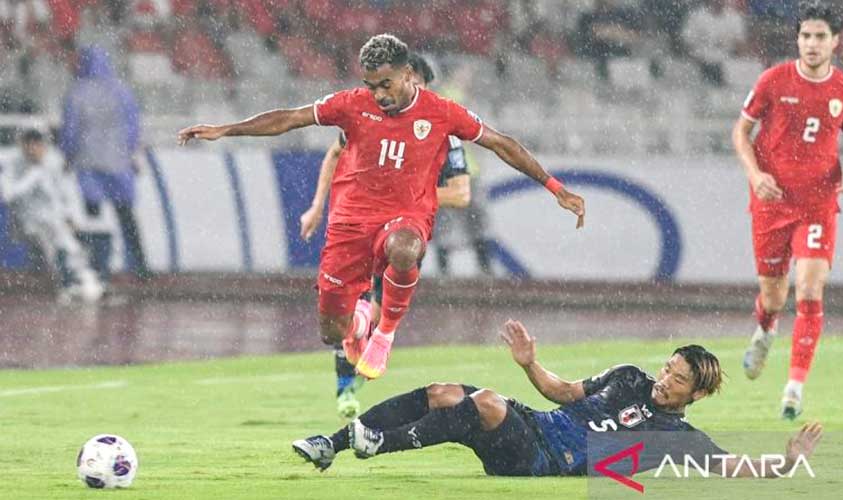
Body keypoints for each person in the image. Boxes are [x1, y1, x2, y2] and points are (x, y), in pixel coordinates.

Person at [178, 34, 586, 382]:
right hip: (350, 221)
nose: (379, 94)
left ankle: (385, 333)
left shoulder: (442, 113)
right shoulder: (352, 105)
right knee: (330, 332)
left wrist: (554, 187)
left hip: (406, 216)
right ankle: (358, 324)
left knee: (407, 249)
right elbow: (290, 118)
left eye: (386, 84)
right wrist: (226, 129)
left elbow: (502, 143)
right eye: (371, 85)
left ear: (409, 75)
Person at [292, 319, 824, 478]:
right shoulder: (629, 376)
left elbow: (731, 467)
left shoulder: (675, 437)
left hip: (547, 460)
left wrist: (785, 463)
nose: (665, 379)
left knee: (486, 405)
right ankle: (332, 443)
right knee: (444, 392)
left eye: (679, 379)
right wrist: (529, 364)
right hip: (539, 422)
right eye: (669, 367)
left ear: (698, 394)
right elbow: (563, 391)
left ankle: (376, 441)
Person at [298, 53, 472, 419]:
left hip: (401, 231)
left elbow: (460, 193)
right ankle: (346, 387)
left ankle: (364, 357)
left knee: (375, 305)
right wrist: (317, 205)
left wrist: (407, 195)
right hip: (361, 223)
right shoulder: (371, 119)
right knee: (346, 303)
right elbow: (335, 153)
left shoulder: (443, 130)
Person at [732, 2, 843, 420]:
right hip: (772, 202)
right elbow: (740, 131)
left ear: (835, 41)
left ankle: (793, 387)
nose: (811, 43)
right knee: (774, 294)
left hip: (818, 203)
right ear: (797, 39)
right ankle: (766, 327)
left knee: (809, 289)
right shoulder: (773, 80)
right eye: (806, 35)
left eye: (820, 36)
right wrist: (755, 175)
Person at [60, 45, 150, 283]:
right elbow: (133, 127)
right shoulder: (122, 91)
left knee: (93, 218)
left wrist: (67, 156)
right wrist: (131, 154)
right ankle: (140, 268)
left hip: (89, 163)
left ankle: (97, 268)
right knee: (126, 216)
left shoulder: (76, 93)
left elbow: (70, 130)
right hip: (118, 163)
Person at [0, 129, 104, 302]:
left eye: (37, 145)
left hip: (54, 218)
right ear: (23, 146)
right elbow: (8, 194)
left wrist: (73, 216)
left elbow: (68, 191)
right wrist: (33, 176)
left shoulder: (54, 161)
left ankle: (81, 283)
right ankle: (70, 283)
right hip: (27, 221)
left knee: (67, 247)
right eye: (29, 146)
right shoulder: (13, 163)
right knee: (52, 250)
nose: (34, 150)